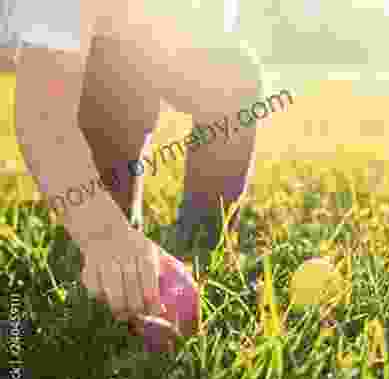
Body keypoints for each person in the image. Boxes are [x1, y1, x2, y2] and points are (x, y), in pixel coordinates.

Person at [7, 0, 262, 327]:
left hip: (157, 37)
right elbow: (45, 119)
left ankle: (203, 241)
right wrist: (103, 232)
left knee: (231, 71)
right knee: (100, 249)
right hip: (95, 62)